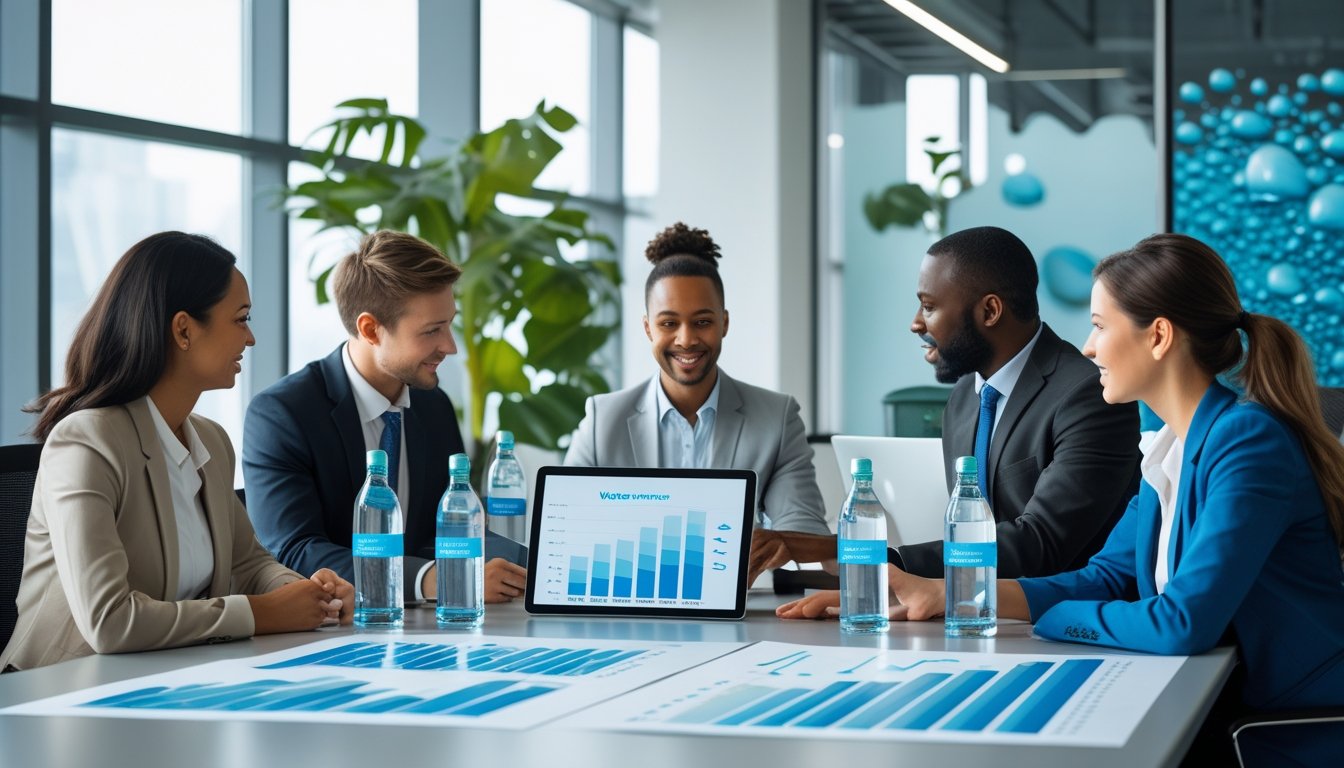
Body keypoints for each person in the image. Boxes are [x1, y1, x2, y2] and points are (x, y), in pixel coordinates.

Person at [836, 234, 1344, 763]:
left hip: (1281, 731)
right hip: (1217, 709)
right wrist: (955, 595)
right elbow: (1104, 578)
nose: (1087, 347)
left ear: (1159, 337)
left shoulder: (1245, 442)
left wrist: (1049, 619)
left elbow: (1181, 624)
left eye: (1100, 326)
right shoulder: (1173, 447)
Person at [0, 232, 352, 672]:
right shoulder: (86, 442)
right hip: (59, 691)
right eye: (241, 319)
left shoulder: (211, 441)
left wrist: (310, 594)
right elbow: (110, 622)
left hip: (163, 679)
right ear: (184, 329)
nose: (251, 339)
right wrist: (263, 614)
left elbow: (248, 563)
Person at [765, 226, 1141, 596]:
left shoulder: (1089, 395)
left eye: (928, 307)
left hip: (1068, 621)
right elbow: (966, 528)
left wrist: (872, 556)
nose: (916, 323)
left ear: (990, 311)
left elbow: (1039, 543)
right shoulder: (964, 396)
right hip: (971, 611)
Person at [242, 230, 527, 605]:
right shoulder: (283, 415)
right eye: (432, 331)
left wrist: (539, 561)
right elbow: (295, 551)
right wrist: (433, 581)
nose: (450, 346)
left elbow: (442, 530)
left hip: (425, 632)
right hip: (329, 636)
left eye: (449, 324)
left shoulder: (433, 406)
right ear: (370, 329)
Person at [566, 221, 832, 553]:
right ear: (648, 328)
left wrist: (778, 543)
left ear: (724, 323)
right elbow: (564, 530)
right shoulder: (602, 419)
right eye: (669, 323)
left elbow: (808, 535)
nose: (686, 339)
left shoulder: (776, 418)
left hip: (739, 599)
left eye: (702, 322)